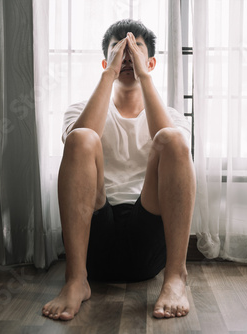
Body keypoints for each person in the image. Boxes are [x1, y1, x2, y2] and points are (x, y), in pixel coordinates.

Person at [42, 19, 196, 321]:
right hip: (94, 242)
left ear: (150, 61)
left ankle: (176, 277)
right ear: (106, 61)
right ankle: (75, 281)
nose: (127, 57)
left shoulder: (172, 117)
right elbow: (80, 140)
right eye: (119, 50)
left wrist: (145, 77)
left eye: (135, 49)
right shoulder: (79, 109)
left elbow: (174, 149)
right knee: (82, 136)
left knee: (173, 139)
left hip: (148, 240)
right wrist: (110, 74)